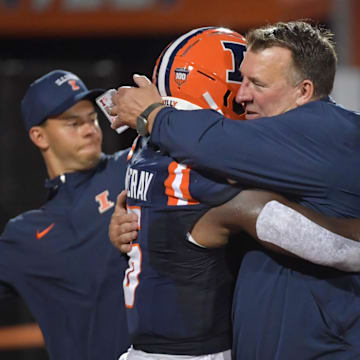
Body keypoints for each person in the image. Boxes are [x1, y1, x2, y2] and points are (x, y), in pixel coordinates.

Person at [108, 20, 360, 359]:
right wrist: (144, 224)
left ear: (303, 91)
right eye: (242, 79)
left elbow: (211, 142)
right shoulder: (282, 142)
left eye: (256, 83)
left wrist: (152, 113)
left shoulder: (328, 133)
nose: (241, 95)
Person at [0, 70, 131, 360]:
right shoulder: (23, 235)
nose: (89, 130)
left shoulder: (132, 168)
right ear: (39, 136)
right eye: (73, 123)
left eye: (91, 119)